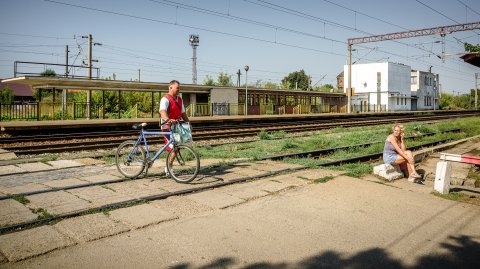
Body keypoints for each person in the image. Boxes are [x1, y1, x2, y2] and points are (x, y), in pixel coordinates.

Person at [159, 80, 190, 175]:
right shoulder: (165, 99)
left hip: (176, 126)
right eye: (177, 88)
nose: (178, 90)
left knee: (177, 147)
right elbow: (162, 111)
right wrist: (168, 120)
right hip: (167, 126)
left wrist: (188, 123)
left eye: (179, 88)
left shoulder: (179, 100)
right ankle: (169, 167)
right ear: (170, 88)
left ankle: (168, 166)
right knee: (173, 147)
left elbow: (183, 113)